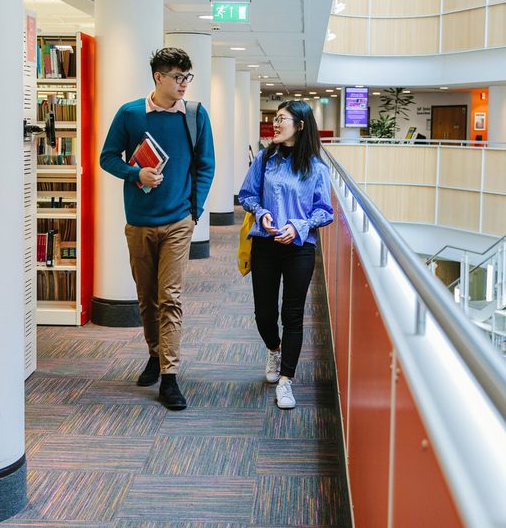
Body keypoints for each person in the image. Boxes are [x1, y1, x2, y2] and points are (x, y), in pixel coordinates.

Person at [99, 47, 215, 411]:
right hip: (139, 223)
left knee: (171, 298)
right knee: (146, 299)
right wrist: (137, 173)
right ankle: (155, 353)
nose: (183, 84)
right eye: (177, 77)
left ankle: (169, 376)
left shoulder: (195, 115)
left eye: (187, 77)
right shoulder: (130, 114)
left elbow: (205, 165)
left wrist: (193, 211)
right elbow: (107, 158)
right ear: (158, 78)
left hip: (178, 221)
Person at [238, 100, 333, 410]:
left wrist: (299, 225)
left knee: (292, 314)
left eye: (282, 119)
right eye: (275, 119)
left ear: (300, 125)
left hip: (299, 247)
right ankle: (274, 348)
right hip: (265, 243)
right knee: (264, 313)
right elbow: (247, 195)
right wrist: (262, 212)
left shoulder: (317, 169)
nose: (275, 124)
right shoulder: (265, 160)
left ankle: (286, 381)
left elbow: (324, 211)